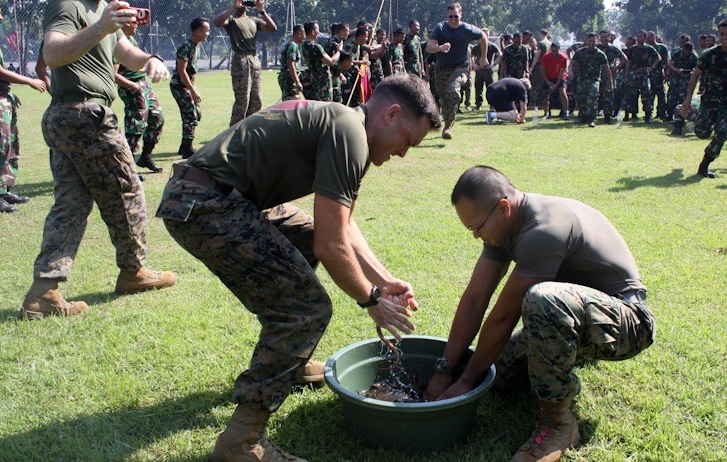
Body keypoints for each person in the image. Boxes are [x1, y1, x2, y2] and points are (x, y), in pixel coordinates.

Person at [155, 74, 440, 461]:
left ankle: (290, 361)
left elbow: (342, 227)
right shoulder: (349, 133)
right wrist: (371, 300)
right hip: (203, 201)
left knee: (303, 246)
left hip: (224, 195)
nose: (404, 153)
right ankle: (239, 441)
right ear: (391, 114)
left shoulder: (351, 128)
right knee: (306, 308)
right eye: (408, 141)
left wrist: (384, 280)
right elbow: (332, 245)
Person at [426, 166, 655, 462]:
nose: (475, 236)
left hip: (628, 321)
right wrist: (445, 370)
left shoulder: (542, 229)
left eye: (477, 228)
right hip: (579, 316)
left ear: (503, 208)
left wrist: (466, 382)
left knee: (540, 299)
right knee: (497, 375)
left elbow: (504, 316)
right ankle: (568, 353)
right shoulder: (504, 226)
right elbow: (475, 299)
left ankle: (560, 425)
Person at [22, 0, 176, 320]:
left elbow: (125, 51)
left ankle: (43, 292)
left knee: (72, 202)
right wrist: (101, 27)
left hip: (68, 118)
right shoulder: (69, 4)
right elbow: (52, 54)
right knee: (126, 191)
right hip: (85, 115)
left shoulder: (105, 7)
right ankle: (133, 272)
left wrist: (150, 59)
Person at [679, 18, 727, 178]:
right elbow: (695, 76)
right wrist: (687, 99)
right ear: (718, 35)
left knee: (722, 133)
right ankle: (691, 111)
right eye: (722, 34)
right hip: (709, 99)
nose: (725, 37)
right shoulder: (710, 54)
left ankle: (704, 165)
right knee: (702, 133)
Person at [0, 6, 48, 214]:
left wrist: (8, 93)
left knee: (10, 142)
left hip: (3, 96)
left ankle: (5, 188)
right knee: (0, 144)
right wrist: (29, 81)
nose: (1, 16)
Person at [427, 2, 489, 139]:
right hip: (441, 68)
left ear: (461, 15)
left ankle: (448, 126)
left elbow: (483, 37)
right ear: (447, 16)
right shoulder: (441, 28)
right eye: (450, 17)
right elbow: (429, 46)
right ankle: (447, 122)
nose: (453, 19)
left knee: (453, 91)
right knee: (444, 98)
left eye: (456, 16)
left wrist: (483, 58)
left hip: (460, 67)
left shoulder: (467, 29)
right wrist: (440, 47)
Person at [214, 0, 276, 126]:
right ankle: (234, 133)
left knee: (257, 99)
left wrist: (262, 11)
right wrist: (233, 7)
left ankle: (250, 130)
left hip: (254, 59)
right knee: (243, 100)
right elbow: (217, 22)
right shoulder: (231, 19)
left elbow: (272, 28)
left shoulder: (253, 19)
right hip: (241, 60)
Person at [114, 19, 164, 173]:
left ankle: (145, 157)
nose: (138, 25)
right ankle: (128, 168)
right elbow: (113, 74)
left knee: (157, 118)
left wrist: (148, 67)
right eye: (135, 22)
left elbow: (136, 64)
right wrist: (133, 85)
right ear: (127, 23)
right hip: (131, 87)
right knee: (136, 126)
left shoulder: (130, 40)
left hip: (143, 84)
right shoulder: (116, 43)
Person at [171, 17, 210, 159]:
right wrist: (192, 91)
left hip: (187, 86)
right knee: (190, 115)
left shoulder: (196, 46)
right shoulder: (186, 47)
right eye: (207, 31)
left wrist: (193, 88)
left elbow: (191, 72)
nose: (208, 33)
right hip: (179, 86)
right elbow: (182, 71)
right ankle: (187, 148)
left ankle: (183, 146)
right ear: (199, 31)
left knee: (196, 114)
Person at [571, 33, 612, 127]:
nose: (592, 43)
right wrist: (571, 72)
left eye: (594, 41)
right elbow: (572, 63)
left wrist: (610, 82)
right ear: (586, 41)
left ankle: (591, 119)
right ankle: (582, 117)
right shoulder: (580, 52)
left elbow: (607, 69)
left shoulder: (600, 54)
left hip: (594, 79)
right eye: (590, 41)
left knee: (593, 96)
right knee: (581, 98)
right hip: (582, 79)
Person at [622, 30, 660, 123]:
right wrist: (626, 76)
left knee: (646, 95)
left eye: (641, 37)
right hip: (633, 73)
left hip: (643, 74)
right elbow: (628, 62)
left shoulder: (649, 48)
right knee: (631, 94)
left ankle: (647, 115)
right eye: (638, 36)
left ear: (645, 37)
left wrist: (652, 67)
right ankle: (630, 114)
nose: (639, 38)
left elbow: (658, 57)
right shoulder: (632, 49)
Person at [301, 21, 340, 102]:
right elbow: (331, 62)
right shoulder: (316, 47)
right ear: (313, 32)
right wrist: (339, 51)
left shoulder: (304, 45)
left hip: (313, 78)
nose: (319, 32)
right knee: (325, 104)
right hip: (323, 80)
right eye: (317, 29)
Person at [596, 30, 626, 120]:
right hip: (597, 73)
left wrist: (616, 68)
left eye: (606, 37)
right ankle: (594, 112)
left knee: (608, 94)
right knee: (596, 93)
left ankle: (608, 115)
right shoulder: (596, 47)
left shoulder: (613, 48)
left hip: (609, 74)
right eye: (602, 37)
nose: (604, 39)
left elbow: (624, 58)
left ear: (609, 38)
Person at [666, 42, 698, 127]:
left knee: (683, 98)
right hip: (675, 77)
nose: (687, 53)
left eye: (689, 51)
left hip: (686, 79)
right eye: (685, 50)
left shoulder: (694, 56)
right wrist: (676, 70)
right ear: (683, 49)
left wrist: (691, 72)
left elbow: (697, 69)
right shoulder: (677, 53)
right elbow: (670, 64)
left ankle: (680, 118)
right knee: (671, 97)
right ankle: (669, 116)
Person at [472, 28, 501, 111]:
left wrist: (493, 65)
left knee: (491, 88)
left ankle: (492, 105)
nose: (485, 36)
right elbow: (471, 55)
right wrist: (474, 65)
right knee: (478, 88)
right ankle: (478, 105)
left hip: (488, 70)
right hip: (479, 70)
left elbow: (500, 55)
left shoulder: (491, 45)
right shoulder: (477, 46)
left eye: (487, 34)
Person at [539, 43, 570, 119]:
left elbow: (561, 73)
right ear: (550, 50)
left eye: (556, 51)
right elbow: (542, 70)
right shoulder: (546, 57)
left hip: (560, 78)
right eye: (553, 51)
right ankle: (546, 113)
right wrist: (547, 82)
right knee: (545, 94)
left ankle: (566, 112)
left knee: (562, 92)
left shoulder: (563, 58)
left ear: (559, 49)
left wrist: (556, 85)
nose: (554, 53)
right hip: (549, 77)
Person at [278, 24, 305, 101]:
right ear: (299, 33)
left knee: (287, 101)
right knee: (293, 101)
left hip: (285, 77)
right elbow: (290, 63)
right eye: (304, 33)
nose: (305, 36)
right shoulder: (293, 46)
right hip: (289, 79)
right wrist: (297, 82)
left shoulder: (287, 43)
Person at [647, 31, 669, 119]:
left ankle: (661, 113)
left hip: (658, 73)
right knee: (649, 94)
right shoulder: (647, 48)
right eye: (647, 37)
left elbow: (666, 61)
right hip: (648, 74)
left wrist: (667, 73)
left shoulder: (661, 47)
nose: (649, 39)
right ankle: (649, 113)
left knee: (661, 94)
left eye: (650, 37)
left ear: (654, 37)